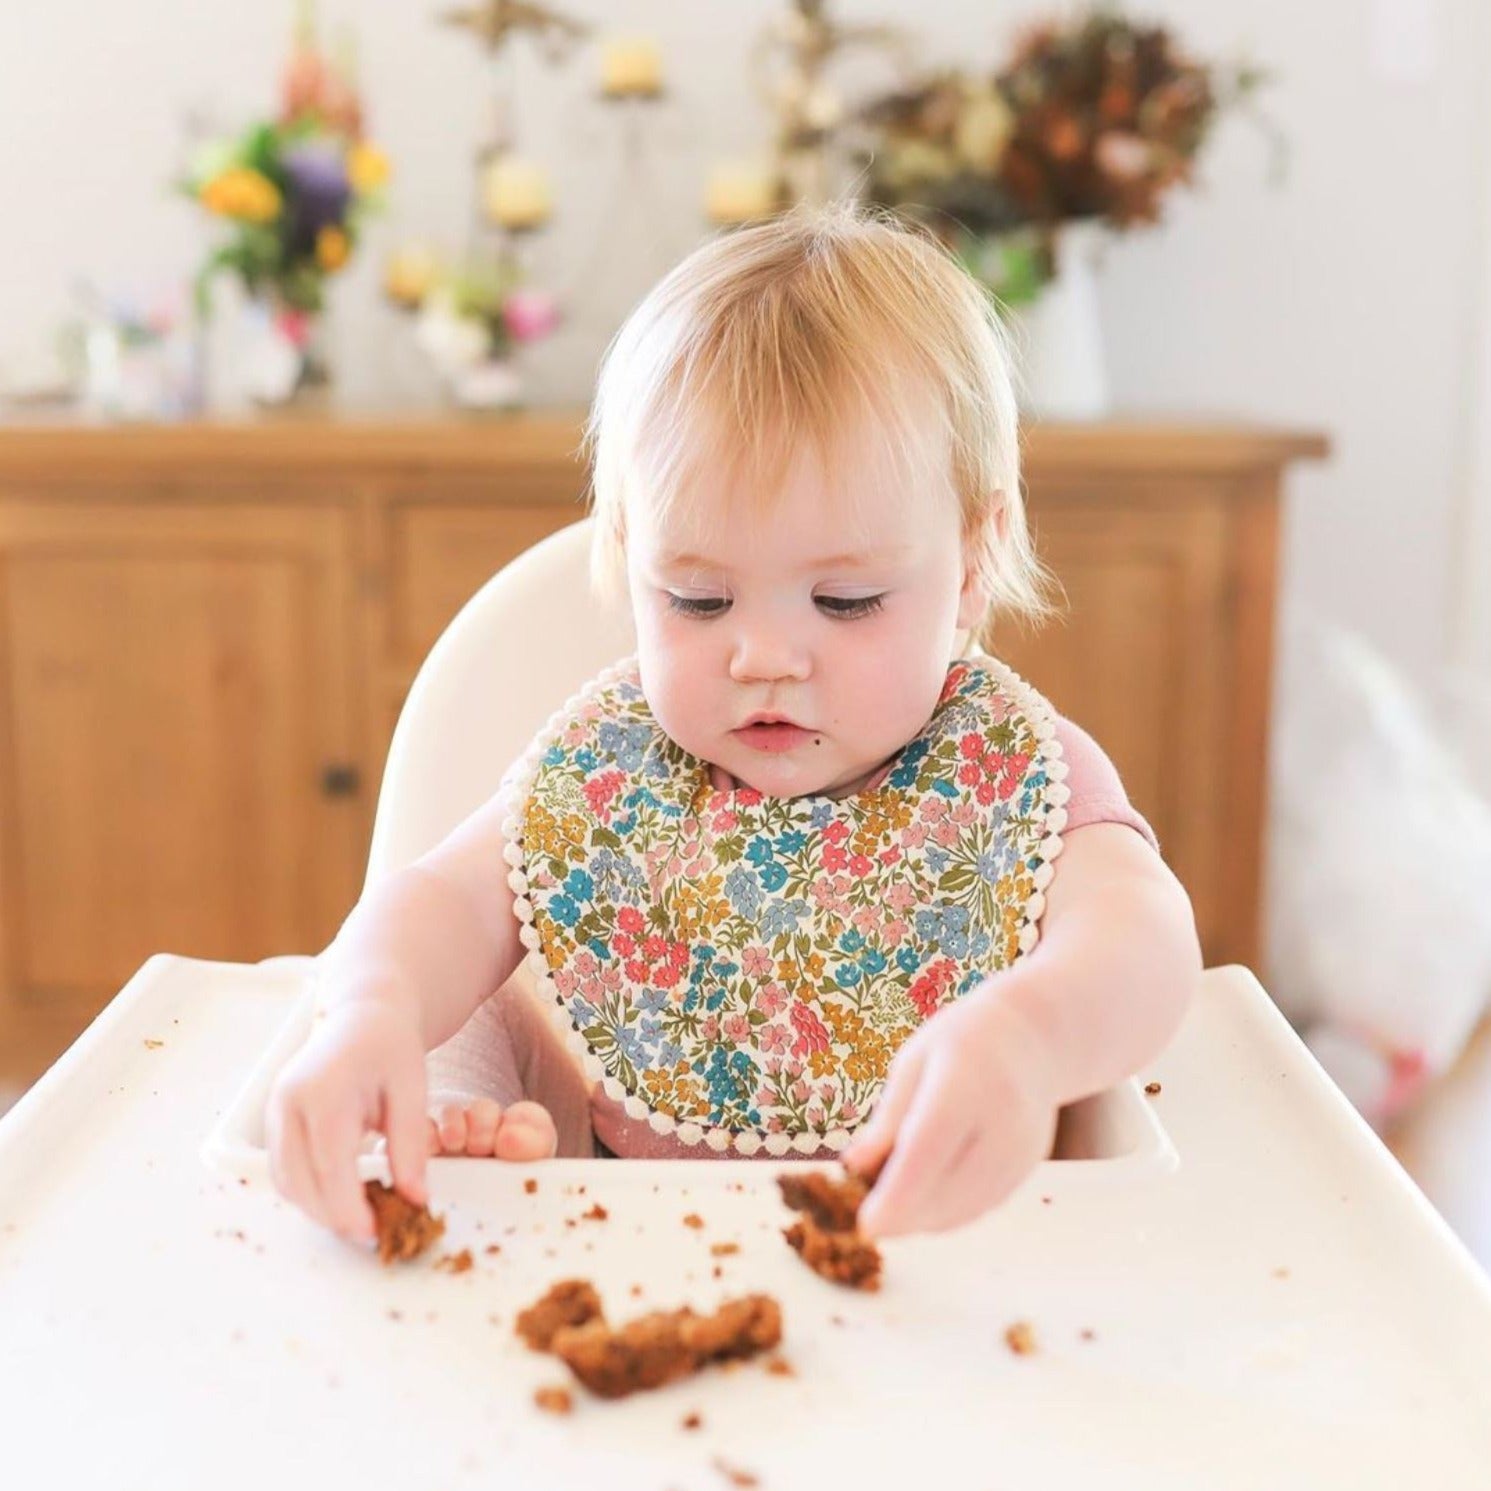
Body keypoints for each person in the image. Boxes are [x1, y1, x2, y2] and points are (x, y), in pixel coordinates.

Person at [266, 203, 1201, 1247]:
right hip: (627, 1247)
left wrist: (1030, 1037)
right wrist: (368, 1014)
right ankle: (457, 1147)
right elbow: (435, 900)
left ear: (972, 564)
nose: (763, 657)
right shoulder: (616, 776)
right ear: (632, 562)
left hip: (945, 1253)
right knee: (467, 1003)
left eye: (845, 604)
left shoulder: (1006, 779)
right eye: (699, 602)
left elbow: (1147, 943)